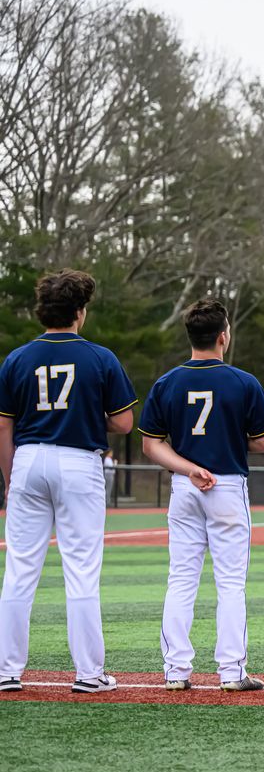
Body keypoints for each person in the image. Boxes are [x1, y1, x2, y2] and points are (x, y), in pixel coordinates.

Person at [0, 270, 136, 694]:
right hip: (78, 460)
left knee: (20, 569)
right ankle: (88, 674)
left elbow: (4, 428)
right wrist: (86, 409)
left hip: (28, 458)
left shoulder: (17, 358)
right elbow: (125, 421)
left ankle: (6, 671)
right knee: (80, 570)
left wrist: (9, 478)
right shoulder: (99, 357)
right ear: (79, 312)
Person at [139, 298, 264, 692]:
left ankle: (176, 672)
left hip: (185, 485)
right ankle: (231, 672)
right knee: (230, 582)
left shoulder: (167, 382)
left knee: (181, 579)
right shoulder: (242, 382)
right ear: (223, 336)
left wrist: (187, 468)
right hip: (227, 485)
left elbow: (151, 445)